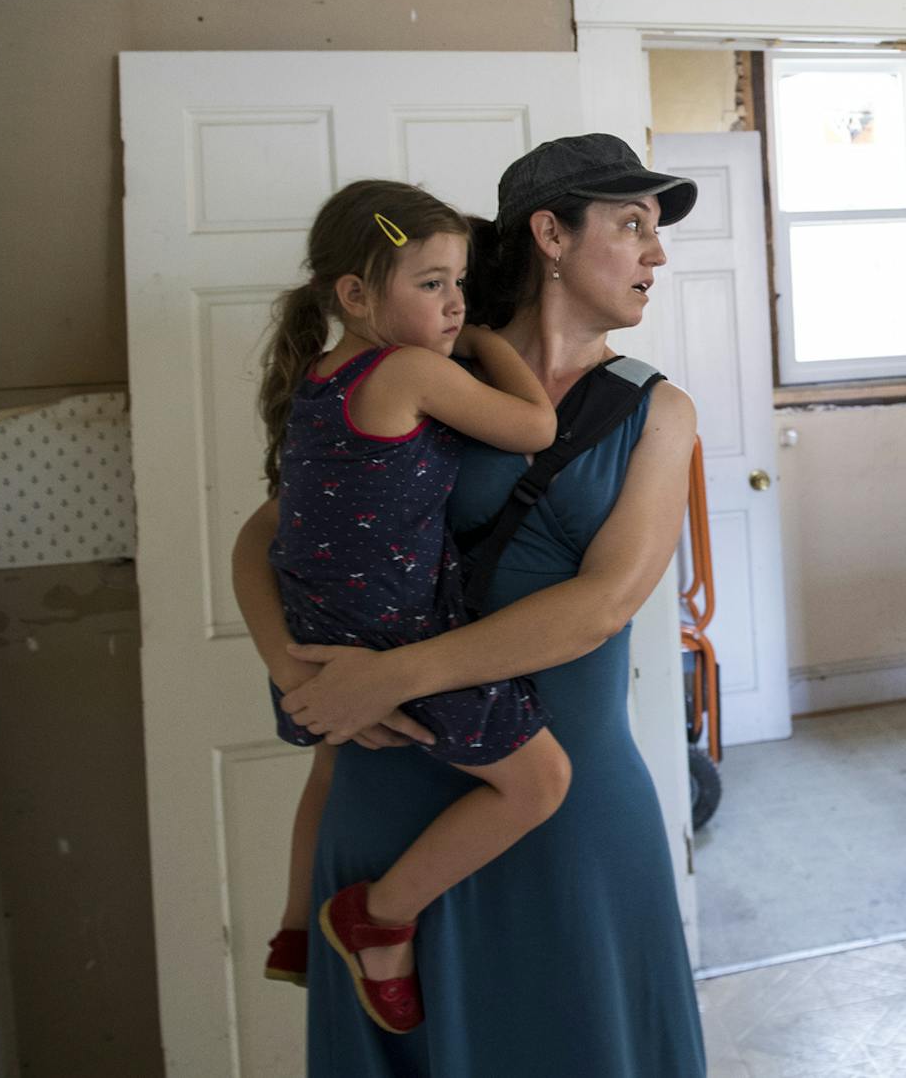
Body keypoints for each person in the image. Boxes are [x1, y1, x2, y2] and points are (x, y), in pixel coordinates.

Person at [232, 133, 707, 1075]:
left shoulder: (657, 411)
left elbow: (603, 604)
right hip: (389, 786)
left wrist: (391, 676)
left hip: (568, 798)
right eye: (631, 225)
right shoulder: (425, 372)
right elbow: (266, 536)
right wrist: (292, 668)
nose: (656, 253)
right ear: (551, 235)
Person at [246, 178, 572, 1035]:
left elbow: (267, 530)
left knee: (328, 769)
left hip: (315, 633)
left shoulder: (318, 379)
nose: (456, 302)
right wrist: (491, 341)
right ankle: (380, 915)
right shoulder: (412, 370)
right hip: (394, 635)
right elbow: (535, 427)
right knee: (541, 781)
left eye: (460, 283)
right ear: (355, 295)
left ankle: (294, 926)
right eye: (433, 284)